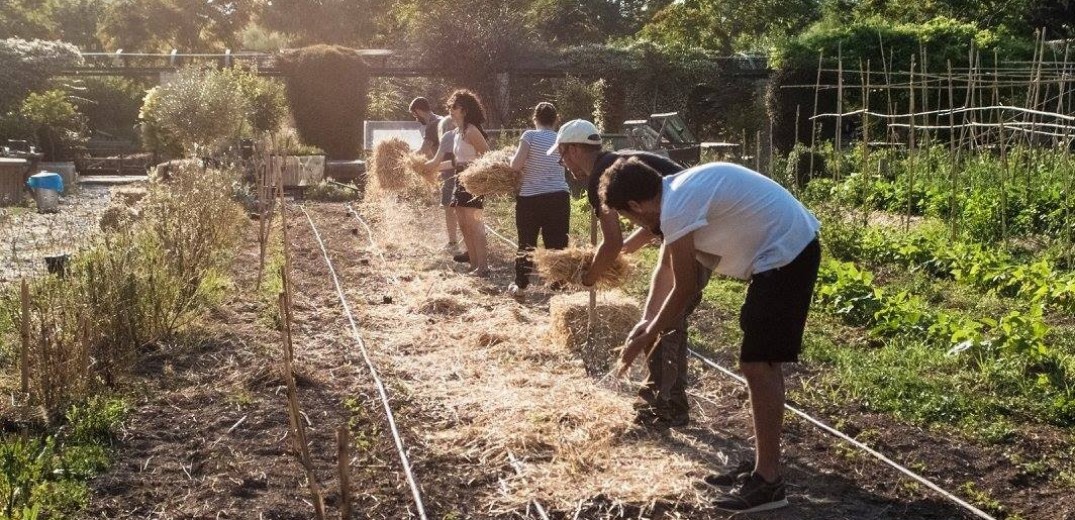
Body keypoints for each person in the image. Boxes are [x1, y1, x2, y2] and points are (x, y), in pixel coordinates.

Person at [600, 157, 821, 513]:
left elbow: (685, 286)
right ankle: (764, 466)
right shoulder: (675, 193)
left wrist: (649, 334)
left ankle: (769, 482)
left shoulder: (677, 206)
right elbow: (670, 267)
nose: (634, 225)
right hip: (779, 255)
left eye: (628, 217)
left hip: (787, 254)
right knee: (757, 361)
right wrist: (648, 321)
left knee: (758, 364)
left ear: (636, 206)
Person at [548, 119, 693, 428]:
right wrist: (621, 253)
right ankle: (665, 399)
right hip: (691, 222)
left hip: (698, 226)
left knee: (665, 317)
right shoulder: (618, 160)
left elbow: (611, 241)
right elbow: (651, 225)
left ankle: (667, 405)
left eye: (562, 155)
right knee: (669, 316)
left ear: (573, 149)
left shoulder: (601, 176)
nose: (563, 163)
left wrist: (590, 275)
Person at [507, 102, 570, 299]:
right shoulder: (562, 138)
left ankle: (522, 286)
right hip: (559, 196)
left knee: (526, 242)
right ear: (555, 120)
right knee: (558, 242)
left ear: (535, 119)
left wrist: (509, 160)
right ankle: (558, 286)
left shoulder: (530, 136)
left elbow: (516, 165)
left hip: (531, 197)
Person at [446, 89, 490, 276]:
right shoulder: (458, 132)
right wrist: (431, 167)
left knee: (475, 224)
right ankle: (473, 264)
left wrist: (469, 166)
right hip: (460, 178)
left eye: (454, 107)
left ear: (463, 110)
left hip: (473, 179)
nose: (450, 110)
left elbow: (488, 156)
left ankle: (483, 267)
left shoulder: (472, 131)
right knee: (463, 223)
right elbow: (457, 161)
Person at [423, 116, 464, 253]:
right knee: (466, 209)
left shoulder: (449, 137)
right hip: (465, 176)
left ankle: (453, 241)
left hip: (450, 178)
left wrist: (422, 167)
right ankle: (471, 241)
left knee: (449, 209)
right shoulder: (464, 135)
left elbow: (437, 163)